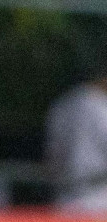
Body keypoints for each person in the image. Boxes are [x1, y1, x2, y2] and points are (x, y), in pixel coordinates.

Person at [45, 46, 107, 213]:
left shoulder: (61, 106)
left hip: (66, 201)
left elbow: (53, 157)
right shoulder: (101, 107)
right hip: (100, 199)